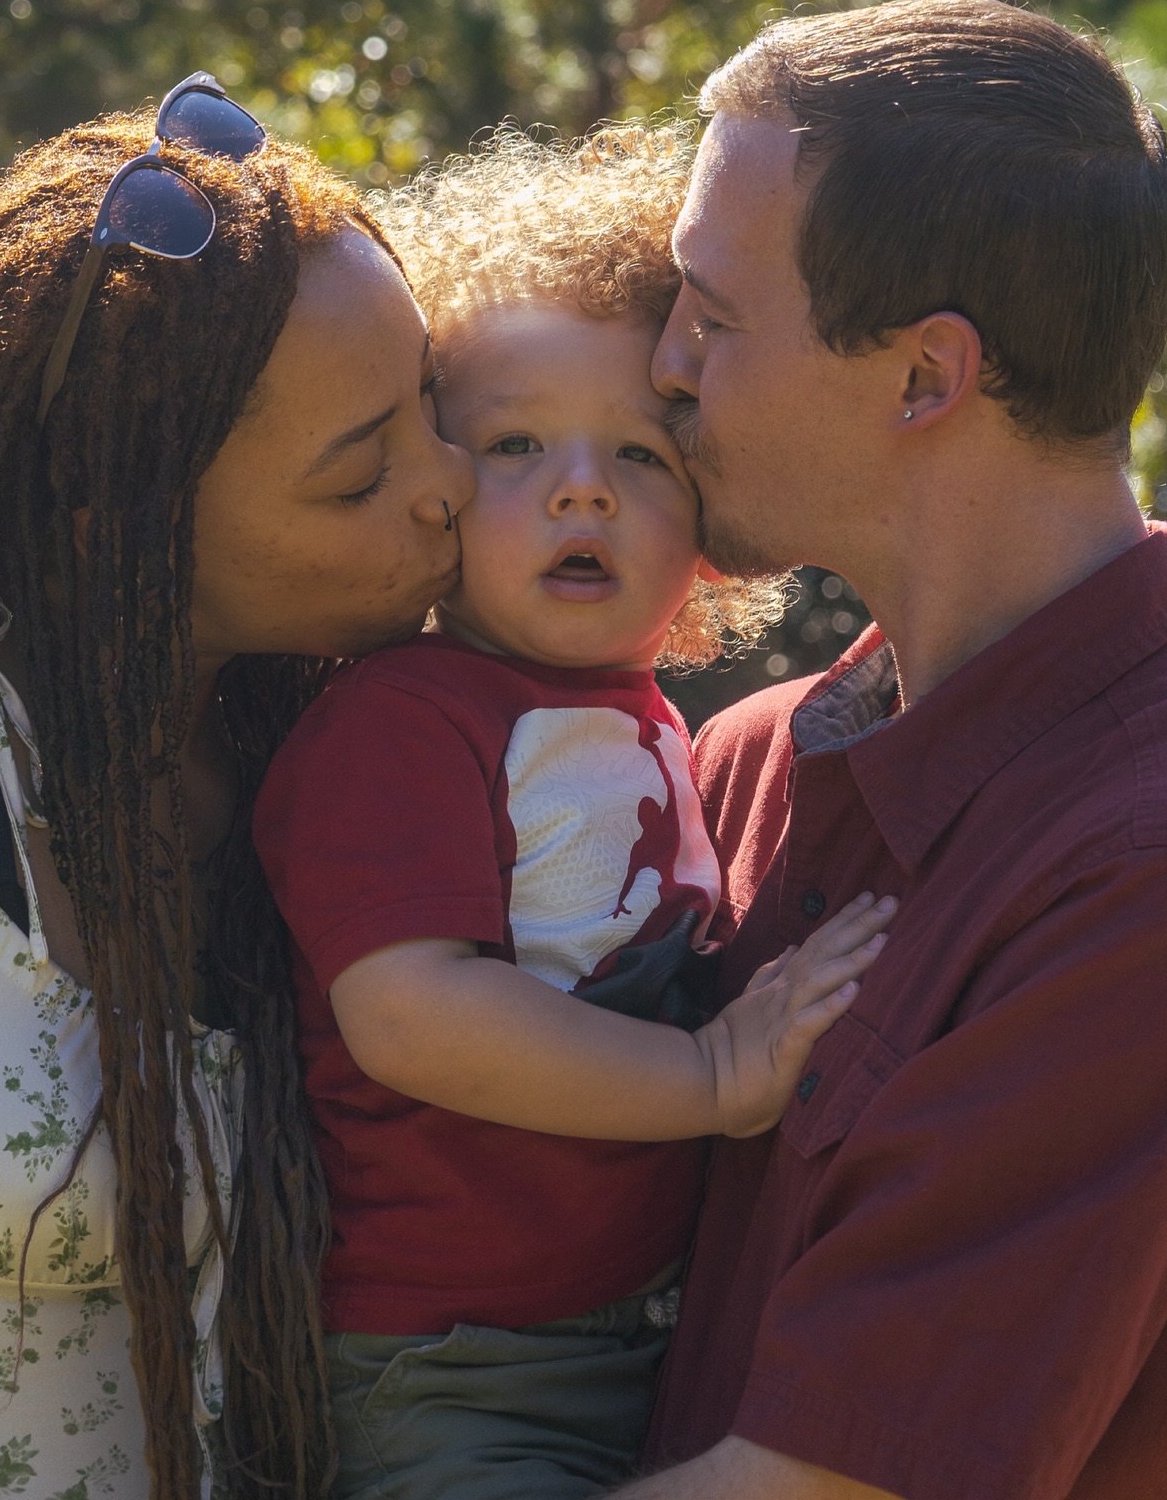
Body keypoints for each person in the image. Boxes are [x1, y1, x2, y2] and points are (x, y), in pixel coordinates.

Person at [0, 75, 474, 1499]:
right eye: (359, 478)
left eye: (431, 401)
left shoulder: (317, 750)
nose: (450, 484)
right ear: (121, 514)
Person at [614, 0, 1167, 1499]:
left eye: (713, 315)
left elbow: (818, 1486)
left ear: (922, 378)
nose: (665, 364)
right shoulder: (742, 762)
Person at [254, 126, 894, 1500]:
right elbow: (411, 1011)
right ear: (429, 484)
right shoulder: (401, 722)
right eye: (515, 443)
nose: (582, 485)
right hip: (452, 1361)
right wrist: (712, 1076)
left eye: (643, 455)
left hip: (646, 1334)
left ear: (710, 519)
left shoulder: (660, 728)